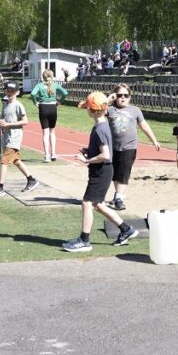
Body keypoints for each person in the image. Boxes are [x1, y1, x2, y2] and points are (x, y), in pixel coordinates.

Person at [62, 92, 139, 252]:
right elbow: (102, 150)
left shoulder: (100, 129)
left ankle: (84, 240)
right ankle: (126, 229)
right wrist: (89, 151)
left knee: (87, 203)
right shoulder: (102, 126)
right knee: (98, 204)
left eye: (87, 108)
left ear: (93, 111)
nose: (86, 110)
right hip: (103, 170)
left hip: (102, 170)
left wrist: (86, 160)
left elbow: (105, 155)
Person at [105, 83, 161, 211]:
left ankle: (118, 198)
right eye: (119, 95)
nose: (123, 98)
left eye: (126, 95)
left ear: (130, 97)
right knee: (114, 174)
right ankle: (119, 195)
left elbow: (144, 125)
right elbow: (96, 110)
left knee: (124, 173)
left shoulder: (135, 110)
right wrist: (108, 100)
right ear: (115, 96)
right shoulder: (110, 110)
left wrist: (154, 140)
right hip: (113, 147)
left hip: (129, 147)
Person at [0, 82, 39, 198]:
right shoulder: (6, 105)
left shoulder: (18, 105)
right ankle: (31, 179)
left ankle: (0, 186)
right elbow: (3, 119)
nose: (9, 93)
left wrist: (8, 124)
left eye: (12, 91)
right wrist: (1, 122)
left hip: (14, 137)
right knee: (16, 160)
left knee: (4, 161)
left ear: (17, 92)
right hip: (7, 136)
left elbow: (25, 121)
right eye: (8, 90)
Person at [30, 68, 68, 162]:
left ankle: (47, 155)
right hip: (53, 107)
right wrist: (60, 102)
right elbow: (65, 93)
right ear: (52, 76)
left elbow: (33, 94)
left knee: (45, 133)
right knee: (52, 132)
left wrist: (36, 103)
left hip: (43, 107)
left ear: (43, 77)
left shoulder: (39, 85)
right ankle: (53, 153)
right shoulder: (55, 85)